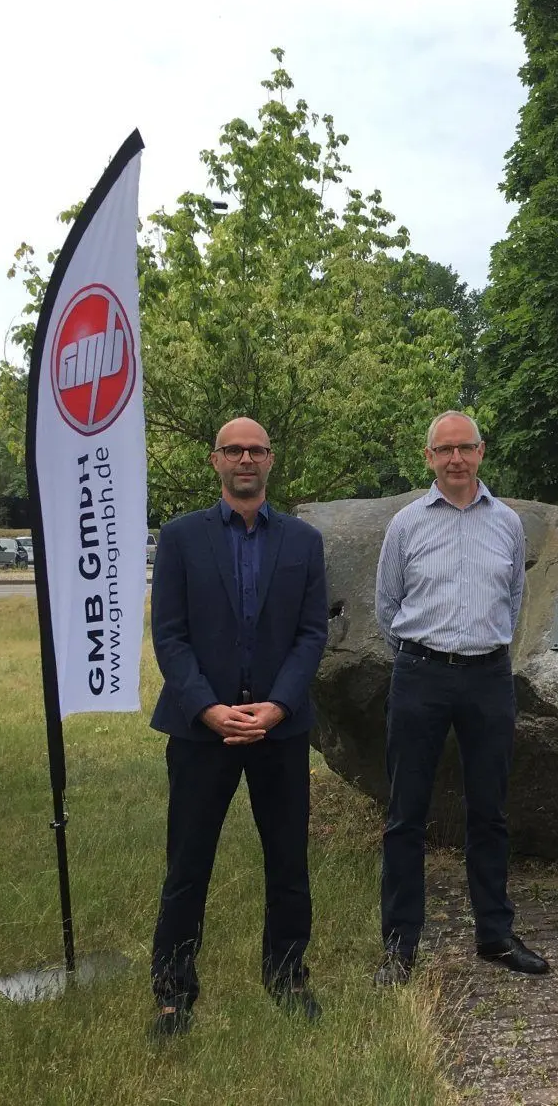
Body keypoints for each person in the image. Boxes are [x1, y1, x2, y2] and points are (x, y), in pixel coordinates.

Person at [148, 417, 328, 1037]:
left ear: (271, 460)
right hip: (203, 730)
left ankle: (287, 975)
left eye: (256, 450)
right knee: (188, 863)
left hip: (278, 730)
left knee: (287, 861)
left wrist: (278, 705)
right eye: (234, 450)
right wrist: (206, 706)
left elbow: (312, 634)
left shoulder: (303, 542)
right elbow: (169, 635)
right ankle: (173, 991)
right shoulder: (180, 538)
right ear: (215, 460)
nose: (245, 459)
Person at [372, 411, 549, 986]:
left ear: (481, 452)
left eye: (465, 448)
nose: (455, 459)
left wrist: (481, 649)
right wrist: (426, 653)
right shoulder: (405, 524)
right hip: (420, 673)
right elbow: (386, 607)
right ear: (428, 458)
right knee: (406, 815)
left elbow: (513, 600)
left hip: (488, 677)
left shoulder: (508, 524)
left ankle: (494, 934)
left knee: (490, 812)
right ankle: (400, 946)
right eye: (444, 450)